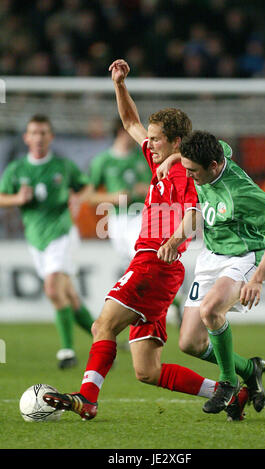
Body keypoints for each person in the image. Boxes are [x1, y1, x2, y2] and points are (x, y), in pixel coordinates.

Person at [43, 59, 249, 422]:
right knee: (147, 371)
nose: (148, 144)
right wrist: (120, 85)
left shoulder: (187, 173)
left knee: (101, 326)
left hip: (155, 263)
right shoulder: (159, 163)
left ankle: (87, 399)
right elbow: (129, 122)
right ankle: (231, 393)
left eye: (155, 140)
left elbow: (195, 212)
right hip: (158, 268)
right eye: (149, 138)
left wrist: (172, 239)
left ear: (177, 143)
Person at [157, 130, 265, 414]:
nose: (188, 175)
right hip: (211, 257)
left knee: (211, 310)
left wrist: (257, 279)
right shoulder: (215, 154)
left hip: (242, 257)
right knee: (190, 343)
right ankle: (249, 369)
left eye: (192, 171)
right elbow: (198, 207)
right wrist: (175, 159)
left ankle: (227, 383)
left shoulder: (242, 194)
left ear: (213, 167)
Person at [0, 114, 95, 369]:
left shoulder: (63, 166)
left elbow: (86, 187)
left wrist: (77, 198)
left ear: (50, 137)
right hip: (36, 239)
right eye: (34, 132)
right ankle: (103, 339)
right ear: (26, 138)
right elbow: (1, 196)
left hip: (62, 234)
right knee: (70, 297)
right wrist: (17, 199)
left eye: (43, 132)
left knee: (53, 289)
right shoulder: (17, 169)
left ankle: (67, 351)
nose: (39, 137)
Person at [87, 117, 151, 272]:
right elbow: (88, 196)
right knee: (130, 263)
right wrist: (112, 198)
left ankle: (166, 295)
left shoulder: (144, 156)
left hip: (141, 215)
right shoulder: (102, 161)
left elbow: (162, 185)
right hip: (116, 218)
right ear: (122, 132)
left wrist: (147, 189)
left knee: (140, 259)